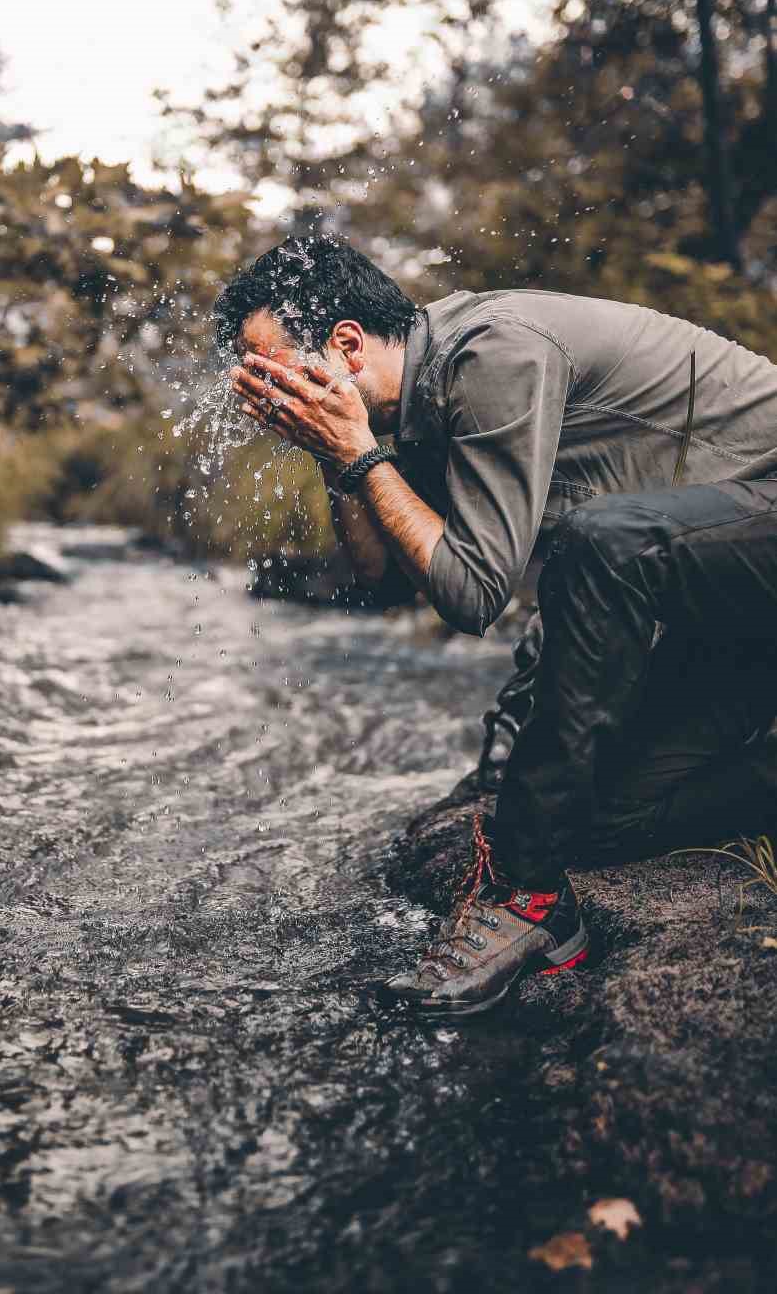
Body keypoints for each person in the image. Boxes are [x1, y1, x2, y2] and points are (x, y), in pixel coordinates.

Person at [220, 234, 777, 1016]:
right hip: (732, 601)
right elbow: (379, 575)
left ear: (345, 343)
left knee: (605, 542)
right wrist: (336, 451)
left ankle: (529, 893)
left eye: (273, 365)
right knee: (608, 823)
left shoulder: (492, 353)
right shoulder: (412, 412)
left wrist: (356, 451)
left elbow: (474, 594)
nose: (270, 391)